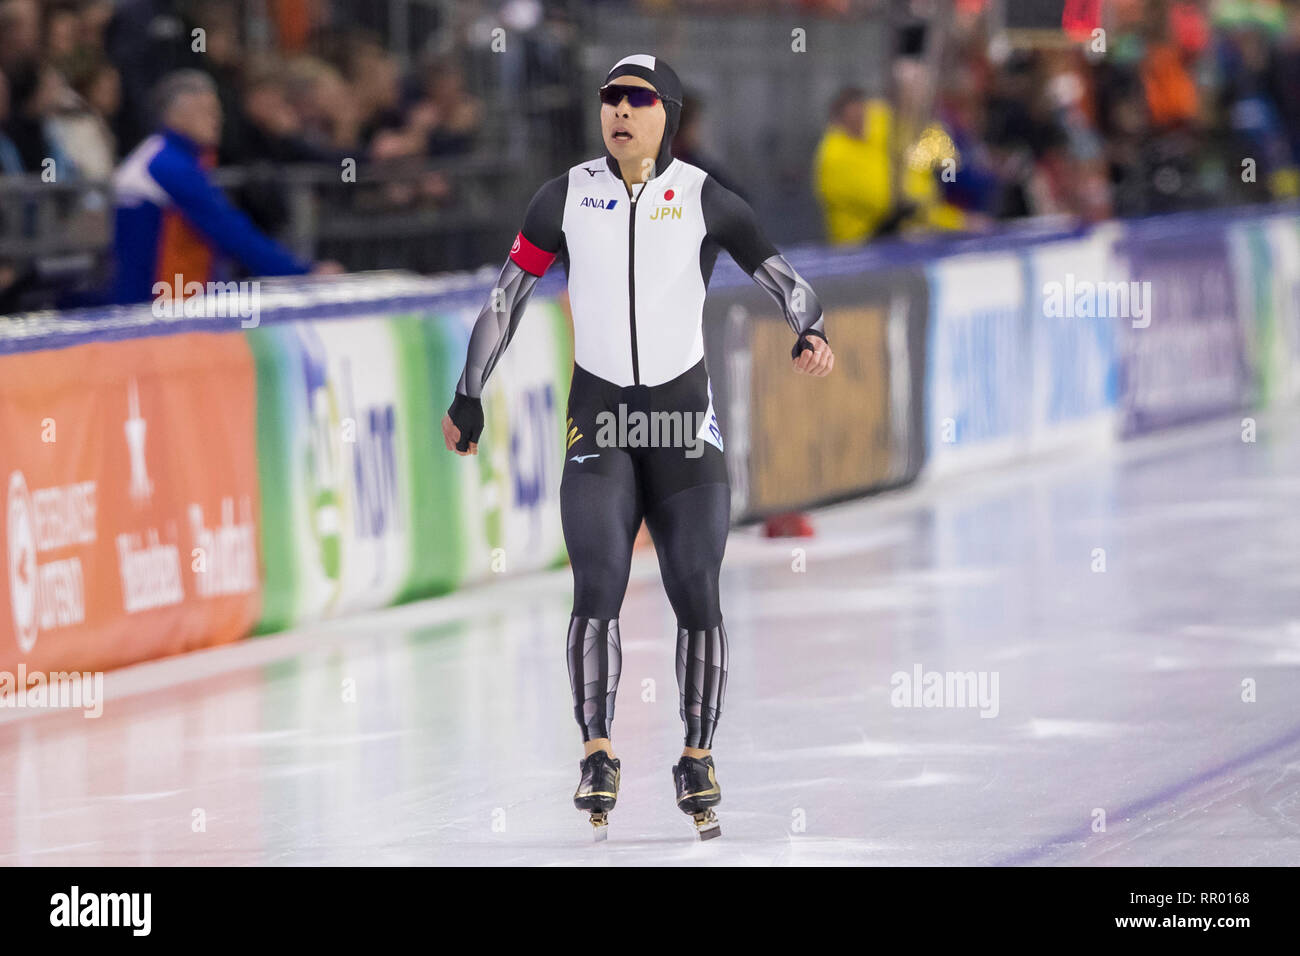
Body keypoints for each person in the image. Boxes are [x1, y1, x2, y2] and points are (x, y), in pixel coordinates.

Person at [441, 53, 833, 839]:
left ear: (668, 115)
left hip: (683, 428)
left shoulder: (706, 198)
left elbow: (787, 279)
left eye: (638, 99)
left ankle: (697, 755)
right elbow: (506, 299)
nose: (619, 110)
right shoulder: (563, 196)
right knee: (598, 584)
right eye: (610, 97)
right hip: (602, 425)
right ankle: (597, 752)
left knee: (697, 590)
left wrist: (810, 331)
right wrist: (468, 392)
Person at [107, 70, 337, 305]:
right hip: (153, 300)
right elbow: (228, 229)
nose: (217, 120)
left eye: (217, 111)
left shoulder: (164, 156)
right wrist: (300, 273)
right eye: (205, 111)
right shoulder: (167, 164)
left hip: (161, 295)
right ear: (176, 115)